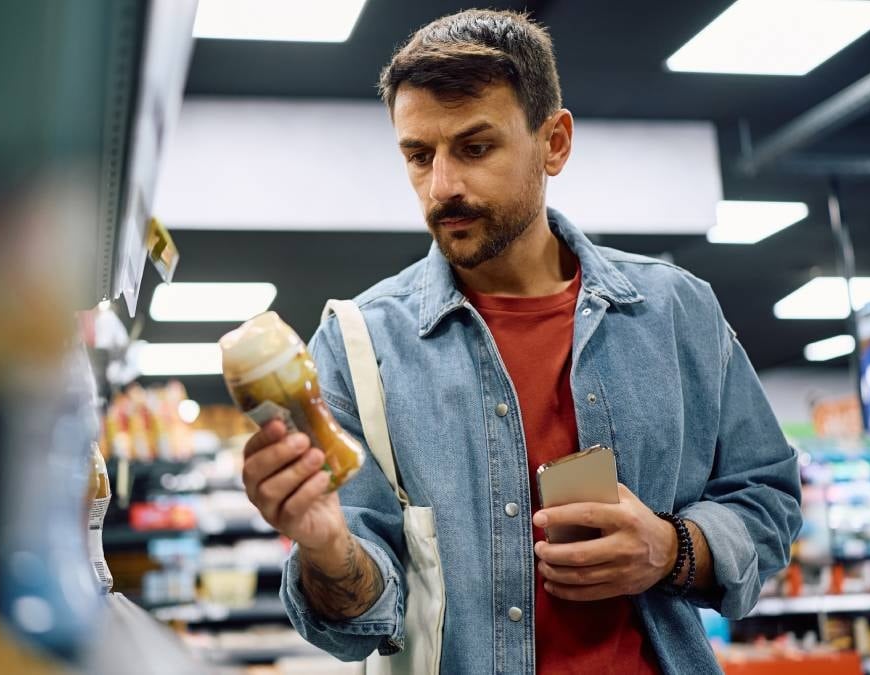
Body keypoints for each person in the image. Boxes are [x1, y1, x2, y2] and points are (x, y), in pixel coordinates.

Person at [239, 8, 802, 674]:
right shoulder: (358, 344)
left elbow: (767, 497)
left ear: (554, 142)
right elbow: (362, 620)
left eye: (475, 148)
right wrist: (328, 549)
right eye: (419, 156)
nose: (441, 186)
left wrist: (671, 546)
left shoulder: (676, 311)